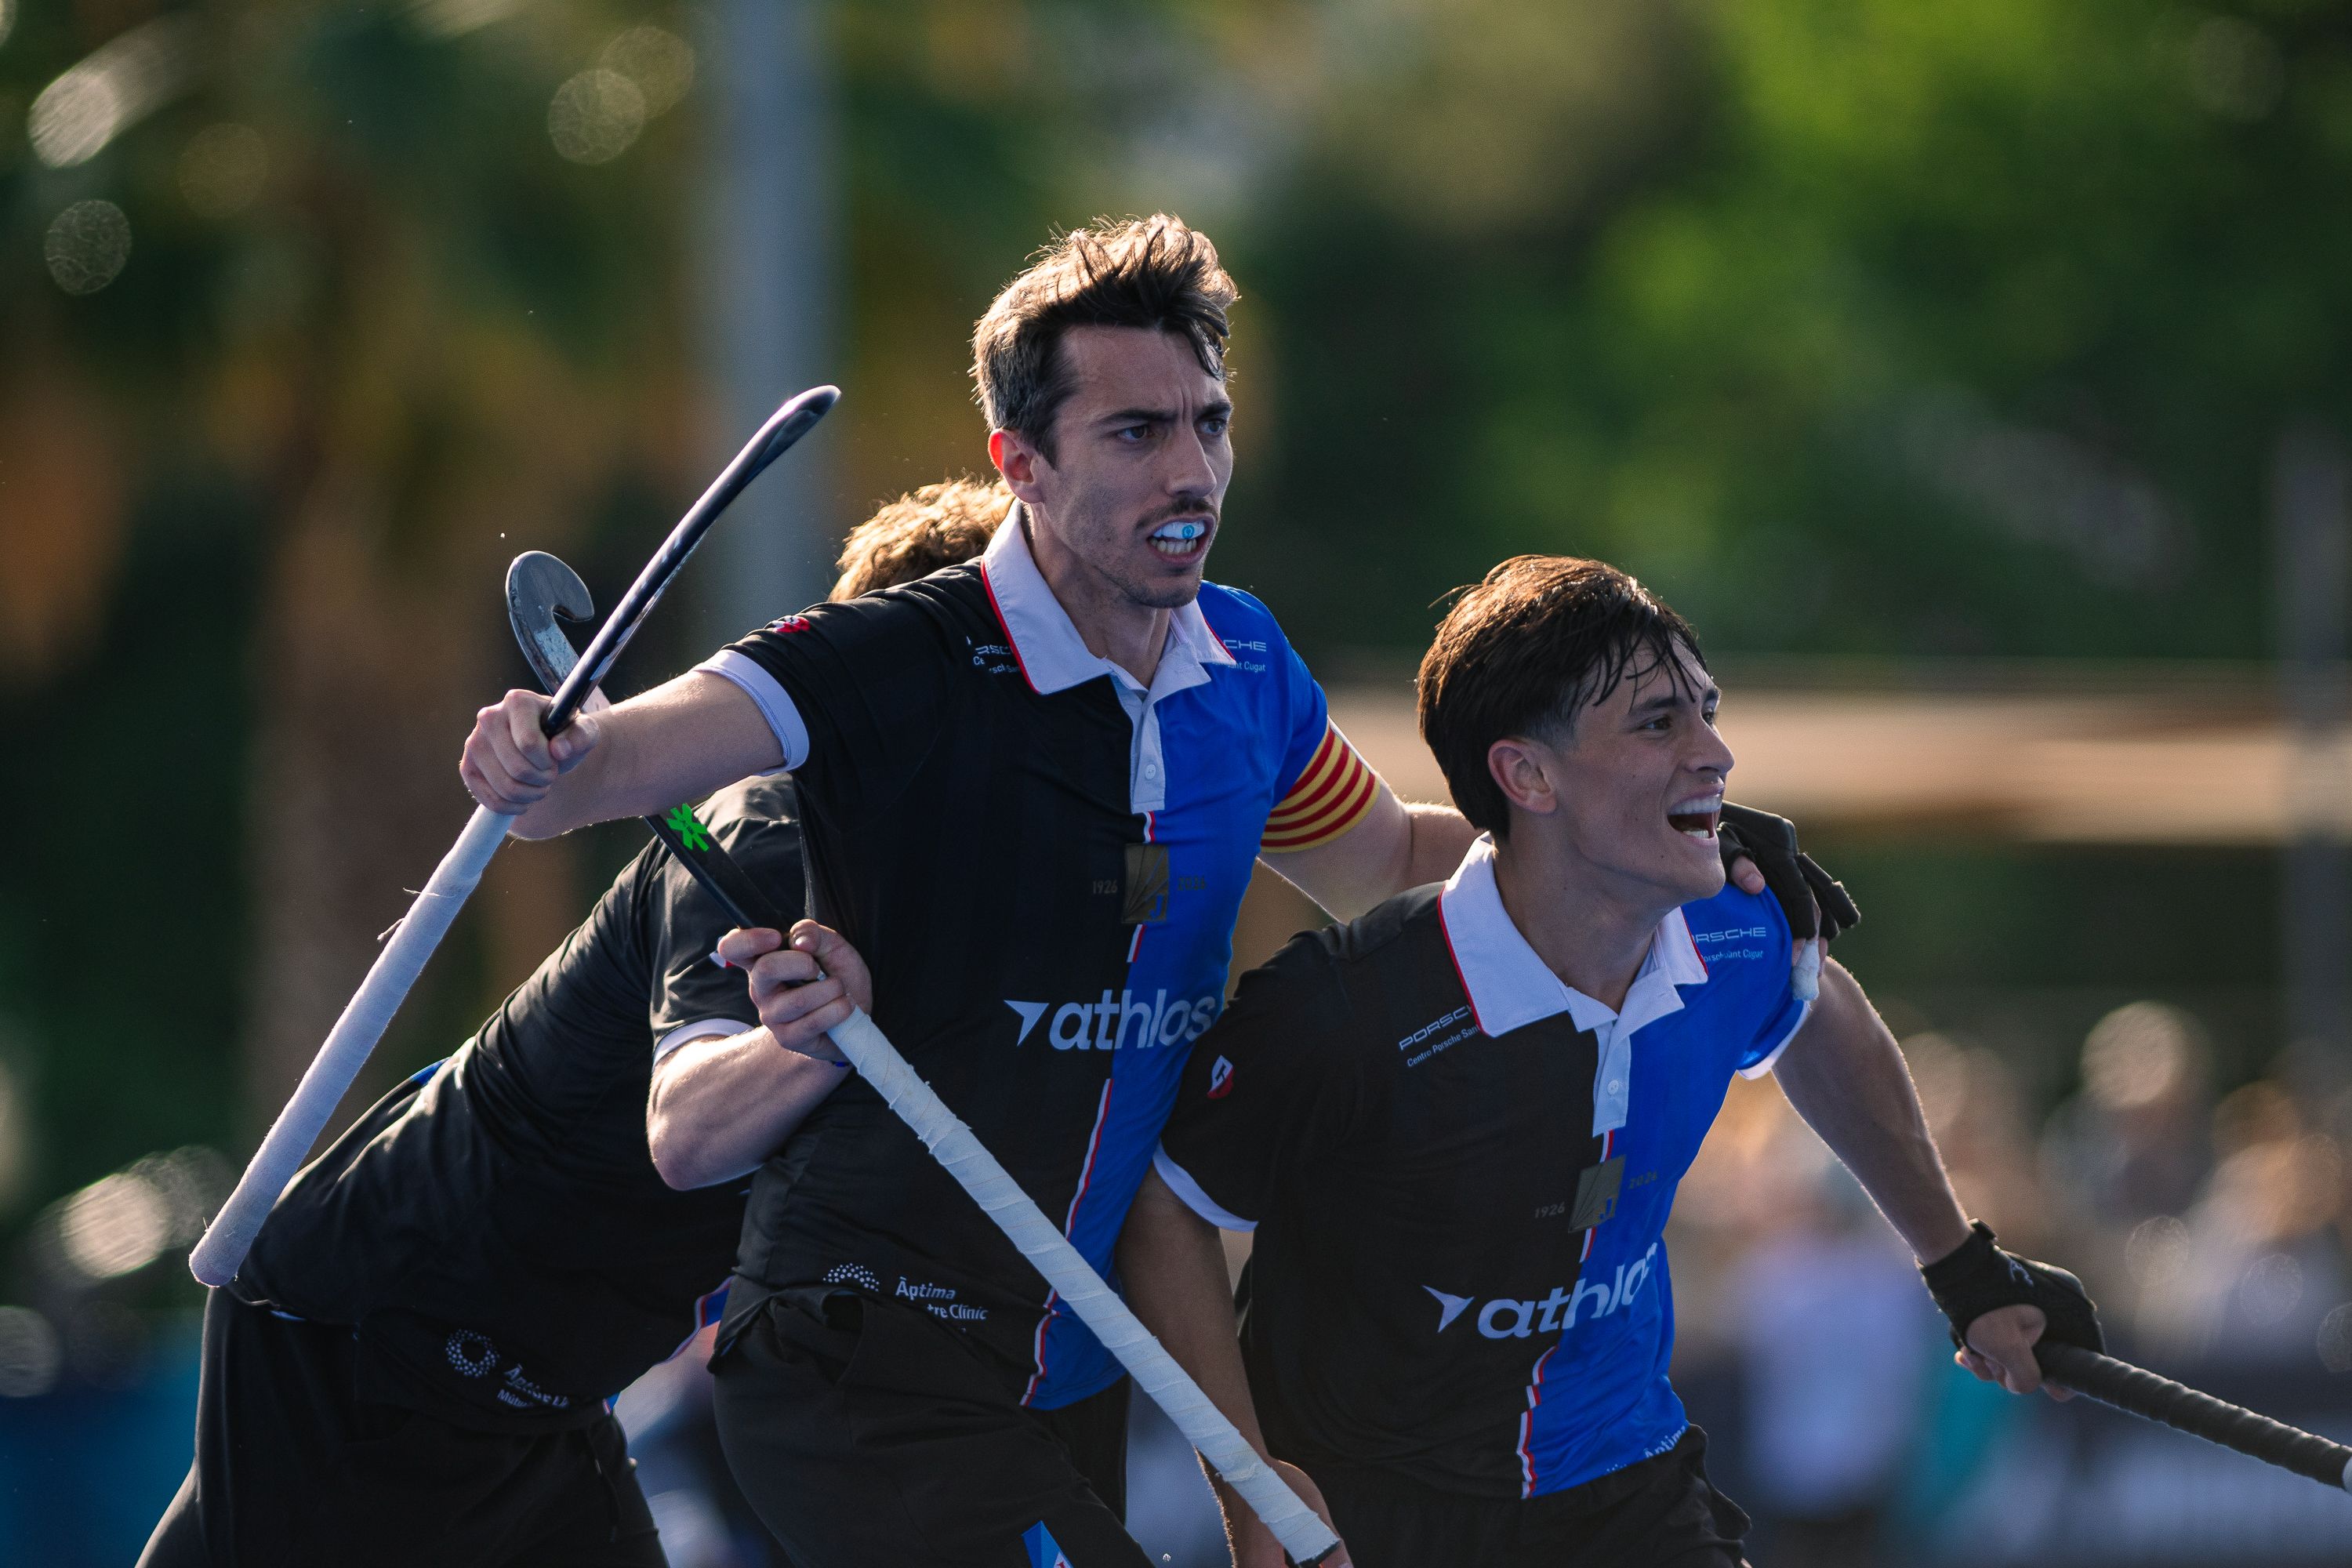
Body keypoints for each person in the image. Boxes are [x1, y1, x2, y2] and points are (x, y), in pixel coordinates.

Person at [463, 215, 1834, 1568]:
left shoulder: (1241, 658)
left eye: (1209, 424)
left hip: (1072, 1366)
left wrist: (1639, 832)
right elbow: (613, 762)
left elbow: (1390, 861)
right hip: (864, 1349)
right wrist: (543, 752)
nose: (1192, 471)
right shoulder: (903, 657)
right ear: (1022, 465)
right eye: (1136, 433)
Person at [1115, 556, 2103, 1568]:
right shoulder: (1339, 1012)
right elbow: (1166, 1206)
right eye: (1658, 723)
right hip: (1371, 1518)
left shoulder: (1739, 930)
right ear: (1526, 775)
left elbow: (1820, 1014)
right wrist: (1247, 1485)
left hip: (1624, 1489)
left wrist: (1961, 1266)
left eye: (1707, 712)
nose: (1716, 753)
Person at [140, 480, 1009, 1568]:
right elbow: (688, 1131)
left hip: (532, 1398)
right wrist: (812, 1042)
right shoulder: (776, 831)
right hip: (362, 1338)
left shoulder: (982, 899)